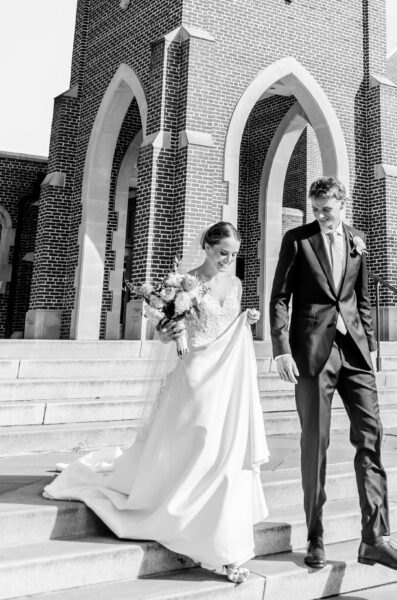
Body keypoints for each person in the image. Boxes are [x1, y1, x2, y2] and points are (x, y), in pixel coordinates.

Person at [44, 222, 268, 584]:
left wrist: (247, 320)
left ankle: (227, 542)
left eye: (234, 254)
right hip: (195, 375)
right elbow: (167, 332)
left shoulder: (237, 284)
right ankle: (187, 516)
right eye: (223, 252)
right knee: (198, 446)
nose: (229, 259)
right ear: (207, 247)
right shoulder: (186, 283)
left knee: (226, 453)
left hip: (228, 379)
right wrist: (165, 331)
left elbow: (230, 328)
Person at [269, 177, 397, 572]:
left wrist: (372, 344)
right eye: (316, 209)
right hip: (311, 353)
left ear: (343, 205)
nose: (321, 216)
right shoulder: (297, 240)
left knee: (371, 438)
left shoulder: (359, 239)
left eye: (327, 209)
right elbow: (279, 298)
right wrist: (282, 349)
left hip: (355, 351)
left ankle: (375, 539)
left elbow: (362, 297)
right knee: (315, 446)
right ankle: (315, 537)